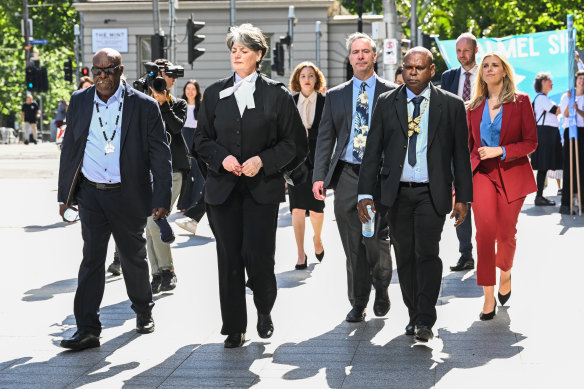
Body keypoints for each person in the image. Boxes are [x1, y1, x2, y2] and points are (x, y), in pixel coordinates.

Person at [194, 24, 304, 348]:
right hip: (222, 191)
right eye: (233, 50)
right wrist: (221, 158)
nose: (237, 55)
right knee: (228, 257)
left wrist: (264, 161)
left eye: (244, 50)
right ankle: (234, 327)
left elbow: (295, 144)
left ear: (258, 55)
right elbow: (200, 140)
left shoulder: (277, 94)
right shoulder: (213, 94)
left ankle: (264, 309)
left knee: (259, 257)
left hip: (262, 191)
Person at [57, 48, 172, 350]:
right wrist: (64, 196)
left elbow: (161, 155)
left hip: (128, 194)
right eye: (97, 70)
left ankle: (144, 311)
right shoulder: (80, 101)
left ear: (121, 71)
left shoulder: (144, 106)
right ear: (91, 73)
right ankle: (87, 329)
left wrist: (162, 197)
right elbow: (70, 148)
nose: (103, 76)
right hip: (92, 194)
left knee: (133, 257)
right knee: (92, 259)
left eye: (109, 69)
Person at [357, 47, 473, 342]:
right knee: (404, 256)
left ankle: (425, 318)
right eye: (408, 67)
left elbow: (461, 155)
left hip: (431, 192)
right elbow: (372, 152)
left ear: (431, 70)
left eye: (419, 68)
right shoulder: (386, 102)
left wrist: (463, 198)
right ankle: (413, 312)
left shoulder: (451, 105)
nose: (412, 73)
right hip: (395, 193)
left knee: (427, 253)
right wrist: (365, 195)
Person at [312, 32, 395, 323]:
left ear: (375, 56)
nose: (360, 56)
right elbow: (325, 139)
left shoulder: (392, 92)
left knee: (376, 241)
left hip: (380, 178)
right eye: (355, 52)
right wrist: (319, 176)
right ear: (349, 59)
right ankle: (358, 301)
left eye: (365, 51)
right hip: (347, 174)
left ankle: (382, 288)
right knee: (352, 244)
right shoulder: (335, 96)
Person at [466, 52, 537, 320]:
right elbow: (468, 148)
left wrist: (501, 151)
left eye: (495, 65)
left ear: (505, 71)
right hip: (481, 175)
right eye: (485, 65)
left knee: (506, 235)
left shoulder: (521, 102)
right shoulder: (472, 107)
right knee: (484, 234)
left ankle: (505, 272)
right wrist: (457, 188)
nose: (490, 69)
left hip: (511, 174)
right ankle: (487, 297)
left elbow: (531, 142)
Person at [142, 58, 188, 293]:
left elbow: (176, 128)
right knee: (149, 226)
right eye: (159, 76)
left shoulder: (178, 103)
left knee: (154, 221)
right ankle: (157, 274)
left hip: (173, 171)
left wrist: (163, 104)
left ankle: (167, 270)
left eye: (167, 76)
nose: (165, 80)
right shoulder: (141, 99)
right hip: (147, 170)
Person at [440, 32, 478, 272]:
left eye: (466, 50)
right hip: (455, 147)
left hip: (481, 147)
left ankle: (485, 250)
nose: (462, 55)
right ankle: (466, 254)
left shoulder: (486, 73)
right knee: (460, 200)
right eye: (458, 51)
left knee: (482, 203)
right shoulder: (448, 77)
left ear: (475, 49)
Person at [288, 61, 326, 269]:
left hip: (318, 161)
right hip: (295, 163)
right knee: (297, 209)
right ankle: (300, 253)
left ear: (316, 78)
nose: (307, 79)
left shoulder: (324, 101)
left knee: (318, 210)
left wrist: (310, 135)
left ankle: (317, 239)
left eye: (311, 75)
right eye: (303, 76)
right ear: (297, 80)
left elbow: (329, 131)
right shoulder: (290, 101)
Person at [175, 79, 207, 235]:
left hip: (197, 138)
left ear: (197, 91)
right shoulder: (180, 105)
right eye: (188, 89)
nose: (190, 91)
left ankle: (195, 203)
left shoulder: (201, 106)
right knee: (187, 174)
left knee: (199, 174)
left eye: (193, 89)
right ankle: (185, 204)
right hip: (184, 137)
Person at [531, 73, 562, 206]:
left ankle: (540, 196)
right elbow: (556, 111)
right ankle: (539, 197)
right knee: (543, 165)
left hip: (548, 133)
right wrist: (570, 100)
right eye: (550, 80)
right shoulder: (541, 98)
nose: (552, 83)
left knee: (545, 165)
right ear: (543, 82)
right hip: (545, 133)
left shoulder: (544, 98)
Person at [559, 70, 584, 215]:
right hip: (570, 132)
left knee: (582, 167)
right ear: (576, 80)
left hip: (582, 131)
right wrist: (570, 103)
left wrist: (578, 109)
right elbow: (565, 114)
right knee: (569, 168)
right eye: (580, 78)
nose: (582, 80)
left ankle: (582, 201)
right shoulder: (566, 95)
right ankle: (566, 203)